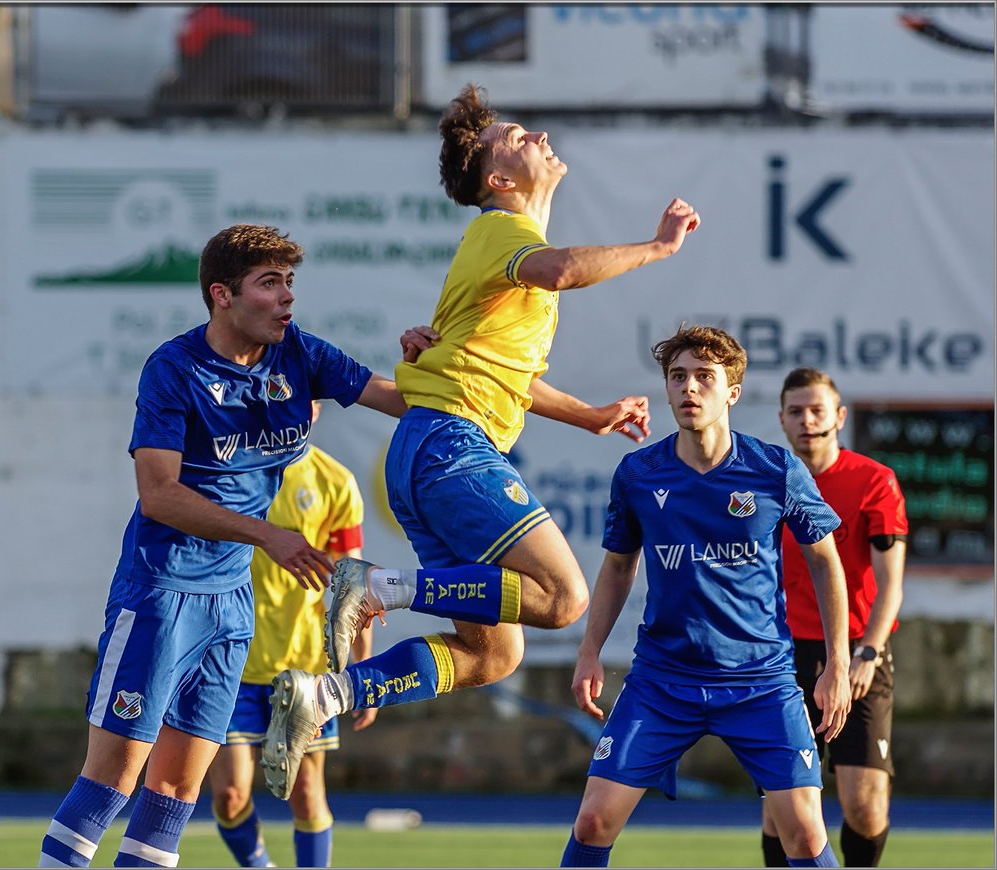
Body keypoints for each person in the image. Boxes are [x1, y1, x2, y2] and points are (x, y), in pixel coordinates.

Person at [262, 82, 701, 802]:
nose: (538, 138)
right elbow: (562, 269)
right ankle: (376, 587)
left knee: (492, 652)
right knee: (563, 598)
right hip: (449, 447)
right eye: (518, 137)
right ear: (499, 179)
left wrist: (591, 416)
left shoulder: (502, 254)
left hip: (427, 449)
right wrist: (657, 248)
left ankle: (329, 694)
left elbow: (506, 374)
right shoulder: (504, 231)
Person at [37, 224, 413, 869]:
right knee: (112, 780)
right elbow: (159, 494)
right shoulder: (174, 369)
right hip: (161, 593)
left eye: (289, 282)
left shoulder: (300, 353)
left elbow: (403, 400)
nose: (287, 296)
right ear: (222, 295)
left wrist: (423, 361)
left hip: (231, 604)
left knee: (175, 793)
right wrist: (267, 535)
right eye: (269, 283)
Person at [562, 325, 852, 868]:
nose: (689, 388)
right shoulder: (639, 473)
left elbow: (825, 562)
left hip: (760, 681)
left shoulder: (775, 469)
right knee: (593, 820)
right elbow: (619, 566)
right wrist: (589, 650)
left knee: (804, 834)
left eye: (704, 377)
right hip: (662, 680)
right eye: (678, 377)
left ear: (732, 392)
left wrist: (838, 663)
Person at [208, 400, 376, 869]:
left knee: (305, 793)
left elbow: (351, 588)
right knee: (229, 795)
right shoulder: (228, 468)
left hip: (305, 668)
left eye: (303, 400)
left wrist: (364, 672)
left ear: (316, 409)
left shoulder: (334, 481)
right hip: (231, 661)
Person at [761, 367, 907, 868]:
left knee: (864, 805)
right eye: (796, 411)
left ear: (839, 416)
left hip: (855, 650)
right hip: (782, 658)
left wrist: (867, 652)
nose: (807, 420)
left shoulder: (874, 481)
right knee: (783, 809)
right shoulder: (766, 482)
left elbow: (891, 585)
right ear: (781, 419)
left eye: (817, 410)